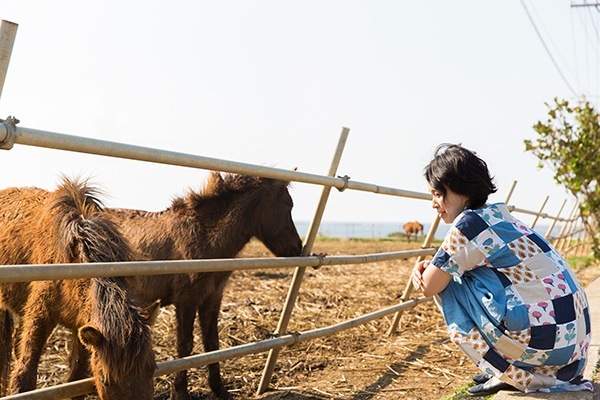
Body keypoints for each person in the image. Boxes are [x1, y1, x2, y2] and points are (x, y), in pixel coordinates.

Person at [412, 143, 593, 397]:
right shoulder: (500, 215)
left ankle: (506, 370)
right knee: (455, 271)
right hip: (571, 348)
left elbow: (430, 285)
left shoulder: (468, 225)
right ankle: (509, 366)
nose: (434, 203)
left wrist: (421, 271)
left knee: (449, 284)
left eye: (439, 194)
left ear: (461, 189)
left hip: (543, 344)